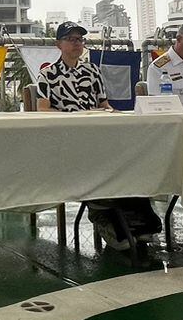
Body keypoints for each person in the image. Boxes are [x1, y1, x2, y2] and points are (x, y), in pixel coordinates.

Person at [36, 22, 158, 249]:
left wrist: (114, 114)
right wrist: (73, 117)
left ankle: (141, 221)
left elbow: (104, 103)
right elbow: (43, 109)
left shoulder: (92, 71)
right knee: (99, 164)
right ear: (58, 44)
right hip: (69, 138)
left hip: (98, 135)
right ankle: (104, 216)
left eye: (80, 39)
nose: (77, 43)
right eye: (71, 39)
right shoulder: (47, 74)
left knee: (131, 158)